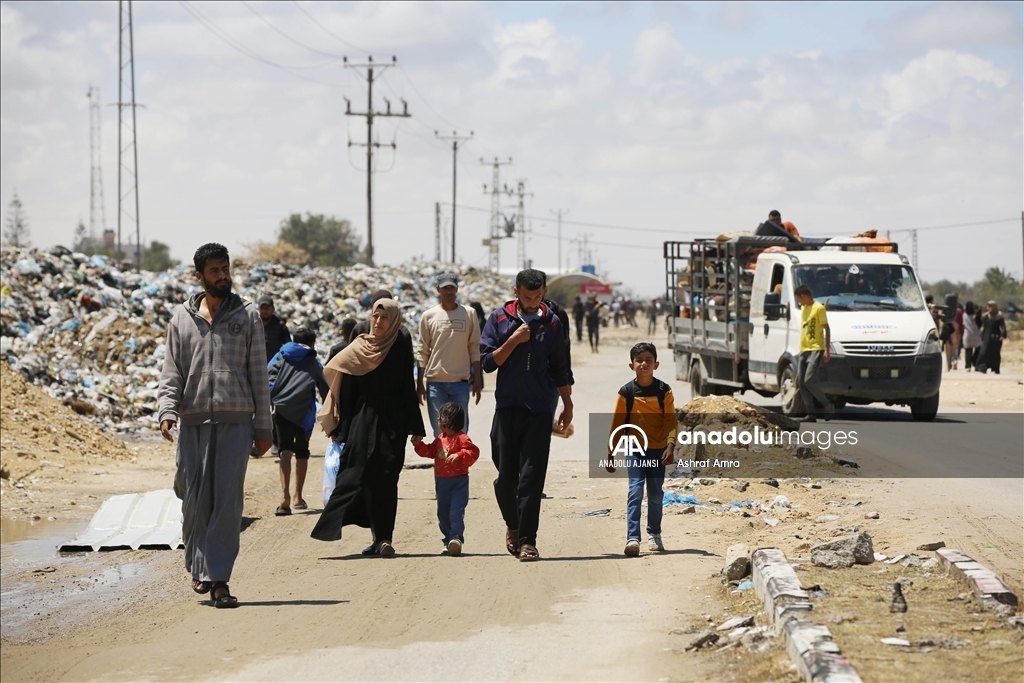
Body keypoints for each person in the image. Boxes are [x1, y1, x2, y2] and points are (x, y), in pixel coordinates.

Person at [157, 243, 272, 608]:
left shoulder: (247, 315)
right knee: (192, 499)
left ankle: (219, 580)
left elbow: (258, 373)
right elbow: (172, 371)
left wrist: (264, 428)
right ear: (200, 277)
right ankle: (198, 565)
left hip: (235, 422)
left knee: (226, 504)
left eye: (225, 269)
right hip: (192, 423)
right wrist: (167, 410)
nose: (222, 276)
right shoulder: (182, 319)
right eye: (215, 271)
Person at [311, 299, 426, 556]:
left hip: (392, 422)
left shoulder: (398, 347)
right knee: (354, 473)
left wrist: (414, 425)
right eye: (375, 316)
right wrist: (341, 428)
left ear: (394, 320)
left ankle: (384, 538)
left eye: (385, 318)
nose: (378, 322)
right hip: (362, 420)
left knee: (386, 478)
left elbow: (407, 387)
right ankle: (335, 526)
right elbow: (345, 387)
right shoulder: (360, 346)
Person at [480, 269, 573, 562]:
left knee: (532, 478)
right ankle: (513, 525)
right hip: (507, 408)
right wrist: (514, 340)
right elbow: (487, 363)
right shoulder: (498, 319)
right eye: (526, 296)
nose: (532, 302)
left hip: (539, 410)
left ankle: (528, 541)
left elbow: (561, 366)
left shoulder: (553, 323)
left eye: (537, 296)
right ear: (516, 291)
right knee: (506, 477)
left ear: (544, 291)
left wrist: (567, 404)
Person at [606, 342, 677, 557]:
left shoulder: (664, 391)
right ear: (631, 365)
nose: (644, 364)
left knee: (655, 495)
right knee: (635, 491)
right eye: (639, 360)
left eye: (648, 360)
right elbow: (617, 424)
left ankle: (654, 533)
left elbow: (671, 421)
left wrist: (671, 445)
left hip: (658, 450)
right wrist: (610, 453)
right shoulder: (626, 392)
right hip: (635, 450)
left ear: (656, 364)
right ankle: (633, 538)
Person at [268, 326, 329, 516]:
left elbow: (268, 376)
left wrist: (274, 397)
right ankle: (297, 497)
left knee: (285, 450)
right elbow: (324, 386)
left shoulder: (281, 355)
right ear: (312, 343)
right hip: (303, 413)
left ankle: (284, 497)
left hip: (281, 410)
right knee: (302, 451)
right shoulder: (313, 361)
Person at [416, 272, 482, 438]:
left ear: (456, 289)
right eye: (445, 288)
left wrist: (478, 379)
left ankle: (459, 463)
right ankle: (442, 463)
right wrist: (419, 384)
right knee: (440, 431)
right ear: (438, 289)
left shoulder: (469, 314)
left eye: (451, 287)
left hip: (460, 383)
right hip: (435, 384)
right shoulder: (428, 316)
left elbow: (474, 347)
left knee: (461, 430)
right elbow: (422, 350)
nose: (448, 291)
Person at [411, 402, 480, 556]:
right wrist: (419, 445)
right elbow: (430, 451)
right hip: (442, 482)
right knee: (442, 513)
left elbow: (473, 451)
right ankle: (447, 540)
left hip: (459, 481)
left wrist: (460, 455)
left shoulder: (462, 438)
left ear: (445, 422)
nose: (437, 421)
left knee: (456, 510)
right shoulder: (440, 439)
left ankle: (456, 538)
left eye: (439, 418)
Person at [794, 285, 832, 421]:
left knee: (809, 380)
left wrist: (827, 350)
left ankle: (827, 405)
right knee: (802, 383)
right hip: (803, 348)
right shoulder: (804, 308)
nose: (799, 302)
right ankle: (811, 414)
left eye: (799, 299)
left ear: (803, 296)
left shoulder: (819, 309)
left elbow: (827, 329)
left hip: (816, 348)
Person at [975, 301, 1007, 374]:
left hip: (996, 337)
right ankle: (982, 367)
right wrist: (977, 315)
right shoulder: (986, 316)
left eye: (991, 306)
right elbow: (979, 324)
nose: (989, 308)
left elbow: (1003, 326)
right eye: (988, 306)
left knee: (995, 353)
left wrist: (1002, 334)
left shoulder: (999, 316)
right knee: (983, 352)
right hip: (986, 336)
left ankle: (995, 368)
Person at [258, 295, 291, 364]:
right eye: (262, 308)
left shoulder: (280, 326)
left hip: (274, 366)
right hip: (256, 364)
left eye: (267, 308)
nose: (264, 311)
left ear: (273, 309)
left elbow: (288, 346)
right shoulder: (253, 324)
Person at [961, 301, 983, 371]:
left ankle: (968, 366)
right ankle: (975, 362)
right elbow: (981, 322)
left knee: (968, 351)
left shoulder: (964, 315)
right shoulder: (976, 316)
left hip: (968, 335)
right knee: (978, 349)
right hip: (977, 335)